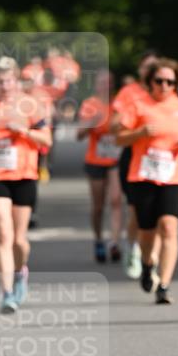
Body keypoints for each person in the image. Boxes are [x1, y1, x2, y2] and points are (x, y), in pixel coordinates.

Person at [0, 57, 52, 313]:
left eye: (9, 81)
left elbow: (46, 139)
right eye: (0, 82)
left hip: (24, 174)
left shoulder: (30, 105)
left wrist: (24, 132)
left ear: (16, 81)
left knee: (19, 240)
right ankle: (6, 293)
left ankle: (20, 272)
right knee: (2, 233)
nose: (5, 86)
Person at [116, 57, 178, 305]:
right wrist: (139, 133)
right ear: (150, 81)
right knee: (147, 231)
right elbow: (119, 138)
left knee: (169, 227)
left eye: (170, 82)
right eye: (159, 81)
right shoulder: (139, 105)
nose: (164, 86)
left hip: (173, 176)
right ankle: (147, 263)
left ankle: (164, 284)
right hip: (143, 175)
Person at [112, 51, 159, 280]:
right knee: (136, 210)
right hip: (133, 156)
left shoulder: (164, 90)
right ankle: (133, 246)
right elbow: (114, 126)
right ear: (140, 70)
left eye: (154, 67)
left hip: (160, 157)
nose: (150, 71)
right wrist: (132, 124)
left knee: (161, 212)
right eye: (146, 67)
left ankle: (152, 258)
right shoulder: (129, 93)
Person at [77, 70, 123, 263]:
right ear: (96, 85)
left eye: (109, 82)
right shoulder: (90, 105)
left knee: (116, 200)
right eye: (102, 82)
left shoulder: (120, 104)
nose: (106, 86)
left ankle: (114, 242)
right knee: (98, 206)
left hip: (116, 159)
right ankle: (98, 239)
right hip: (95, 160)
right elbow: (79, 135)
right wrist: (92, 122)